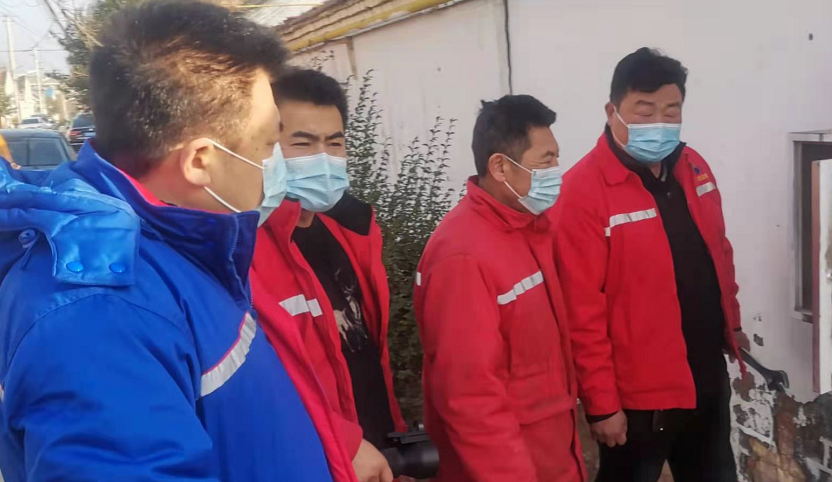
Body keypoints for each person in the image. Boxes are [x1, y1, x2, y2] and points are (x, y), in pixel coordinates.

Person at [0, 2, 353, 481]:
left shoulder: (180, 247)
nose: (278, 166)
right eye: (269, 145)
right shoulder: (99, 313)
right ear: (200, 161)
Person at [553, 47, 749, 482]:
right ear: (612, 111)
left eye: (671, 111)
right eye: (644, 111)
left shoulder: (693, 167)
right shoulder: (582, 193)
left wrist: (731, 323)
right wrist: (602, 405)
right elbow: (580, 311)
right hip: (639, 397)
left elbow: (719, 252)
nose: (659, 123)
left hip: (705, 373)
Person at [414, 95, 586, 482]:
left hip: (551, 454)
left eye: (556, 159)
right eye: (545, 160)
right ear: (500, 167)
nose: (556, 172)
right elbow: (470, 397)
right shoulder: (462, 257)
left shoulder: (527, 227)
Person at [249, 68, 406, 482]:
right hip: (313, 461)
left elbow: (368, 356)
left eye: (334, 142)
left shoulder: (352, 232)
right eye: (303, 143)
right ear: (265, 146)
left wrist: (393, 438)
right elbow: (259, 386)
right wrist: (344, 442)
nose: (323, 157)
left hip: (378, 456)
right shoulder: (244, 250)